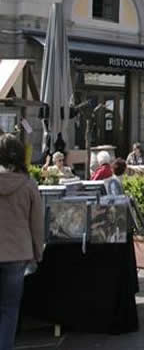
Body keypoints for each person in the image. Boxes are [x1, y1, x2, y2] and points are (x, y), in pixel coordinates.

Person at [0, 134, 44, 350]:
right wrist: (38, 252)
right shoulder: (28, 185)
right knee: (9, 310)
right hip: (18, 253)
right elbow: (37, 224)